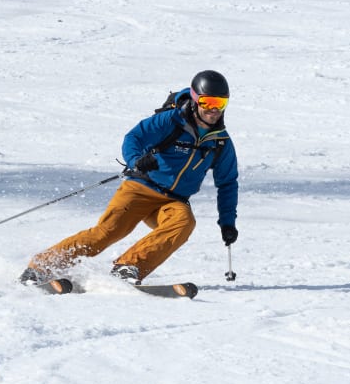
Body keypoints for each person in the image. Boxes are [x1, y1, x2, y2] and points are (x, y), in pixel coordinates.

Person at [20, 70, 238, 287]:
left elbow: (227, 183)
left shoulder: (220, 142)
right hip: (141, 188)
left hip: (173, 200)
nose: (214, 110)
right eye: (208, 102)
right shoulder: (170, 121)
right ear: (195, 99)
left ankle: (128, 266)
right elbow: (134, 137)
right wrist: (136, 160)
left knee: (184, 223)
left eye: (220, 103)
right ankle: (40, 267)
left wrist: (227, 222)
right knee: (105, 234)